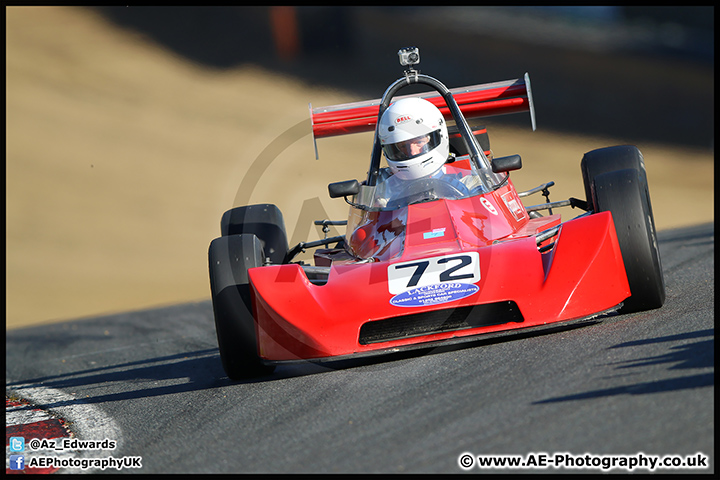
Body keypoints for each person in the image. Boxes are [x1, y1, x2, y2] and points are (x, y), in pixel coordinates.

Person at [373, 97, 470, 208]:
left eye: (419, 142)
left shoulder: (469, 180)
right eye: (403, 146)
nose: (412, 152)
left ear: (439, 136)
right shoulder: (383, 190)